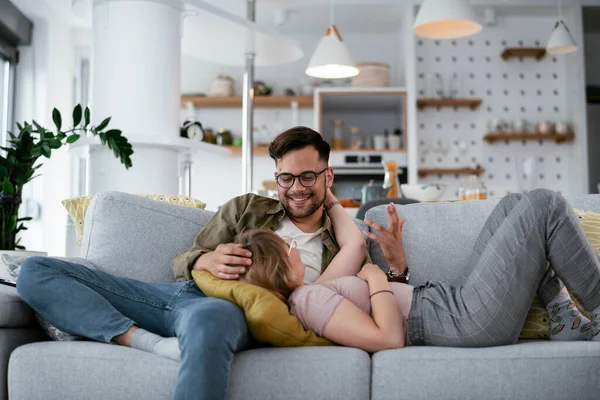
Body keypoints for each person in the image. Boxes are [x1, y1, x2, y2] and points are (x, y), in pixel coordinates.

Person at [16, 126, 399, 400]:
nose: (295, 188)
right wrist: (208, 257)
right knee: (35, 271)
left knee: (210, 319)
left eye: (307, 177)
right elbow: (181, 260)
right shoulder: (246, 207)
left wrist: (395, 267)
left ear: (327, 176)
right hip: (177, 294)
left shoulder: (343, 241)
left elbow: (374, 292)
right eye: (285, 178)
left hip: (228, 311)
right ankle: (142, 341)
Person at [236, 189, 600, 351]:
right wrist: (377, 278)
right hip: (465, 320)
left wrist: (330, 198)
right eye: (288, 247)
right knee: (544, 205)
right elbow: (388, 339)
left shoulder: (309, 292)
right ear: (280, 265)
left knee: (515, 204)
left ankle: (565, 320)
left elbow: (354, 246)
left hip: (453, 304)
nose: (295, 246)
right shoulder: (308, 300)